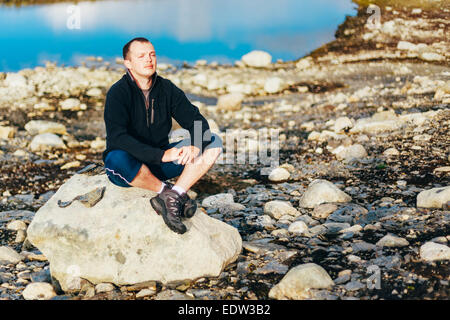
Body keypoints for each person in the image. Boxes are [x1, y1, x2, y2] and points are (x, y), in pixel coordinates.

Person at [102, 37, 223, 235]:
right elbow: (118, 138)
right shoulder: (118, 93)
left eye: (152, 54)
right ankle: (168, 192)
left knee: (213, 143)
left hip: (160, 163)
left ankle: (172, 194)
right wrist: (161, 156)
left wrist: (195, 146)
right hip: (130, 166)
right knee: (115, 157)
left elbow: (197, 122)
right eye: (141, 56)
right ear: (128, 63)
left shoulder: (167, 89)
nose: (149, 60)